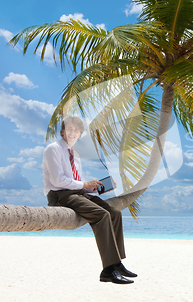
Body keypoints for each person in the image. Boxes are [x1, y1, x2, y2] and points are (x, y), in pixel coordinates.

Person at [42, 116, 136, 284]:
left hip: (76, 193)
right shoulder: (53, 149)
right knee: (101, 215)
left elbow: (76, 182)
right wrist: (84, 184)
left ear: (80, 134)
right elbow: (58, 180)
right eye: (69, 129)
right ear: (63, 131)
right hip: (59, 195)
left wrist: (95, 186)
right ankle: (107, 270)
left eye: (76, 130)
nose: (73, 133)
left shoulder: (75, 154)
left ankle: (116, 263)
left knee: (114, 212)